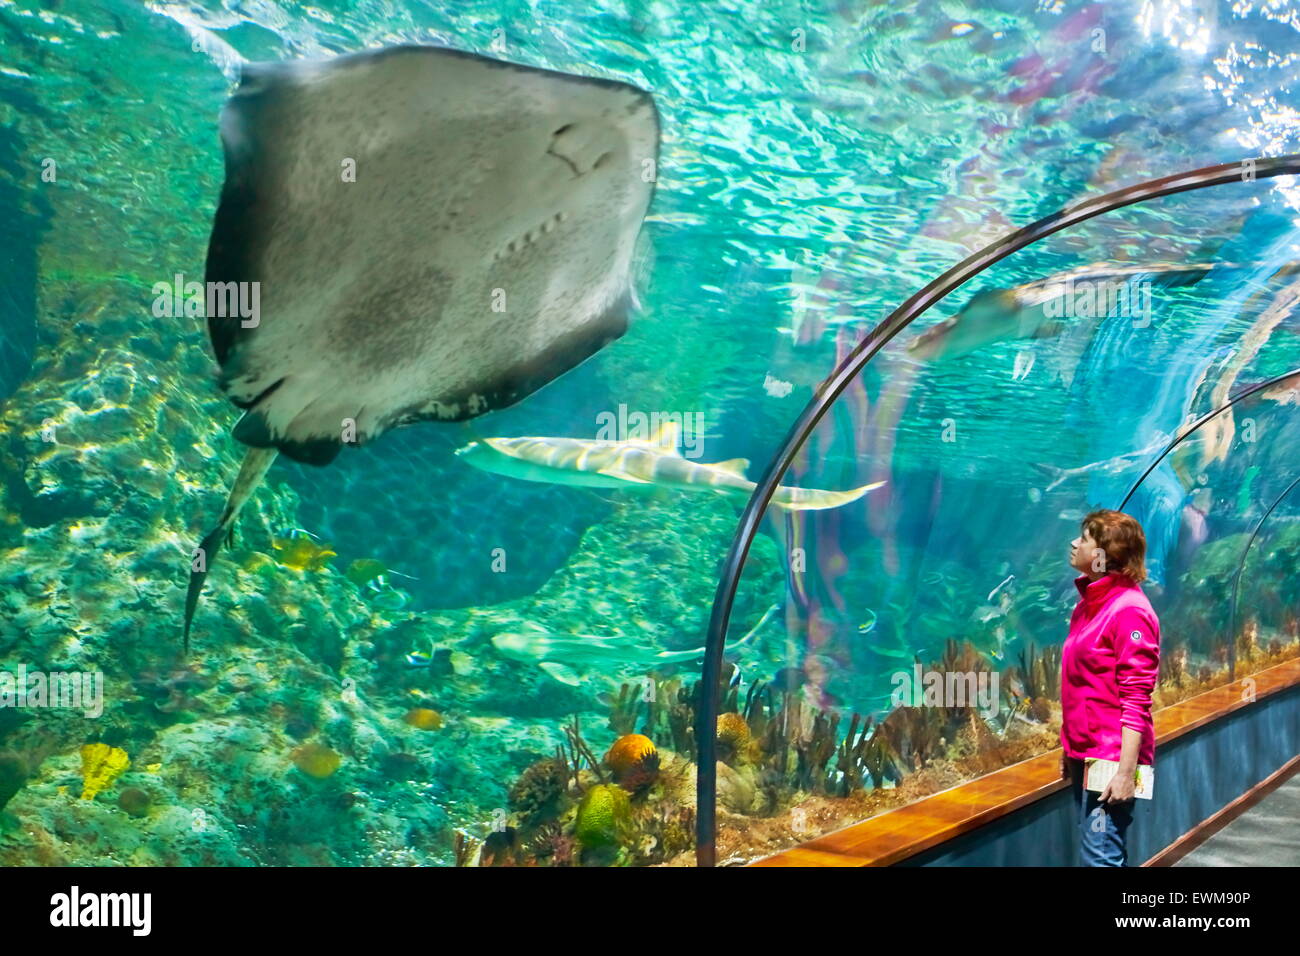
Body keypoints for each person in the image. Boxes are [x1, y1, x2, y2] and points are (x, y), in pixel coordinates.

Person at [1059, 509, 1161, 866]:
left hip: (1110, 757)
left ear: (1105, 554)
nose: (1074, 543)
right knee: (1099, 849)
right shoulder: (1090, 605)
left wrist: (1124, 773)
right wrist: (1069, 744)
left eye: (1085, 538)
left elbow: (1136, 699)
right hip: (1085, 753)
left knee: (1100, 856)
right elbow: (1084, 684)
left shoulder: (1128, 610)